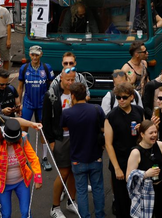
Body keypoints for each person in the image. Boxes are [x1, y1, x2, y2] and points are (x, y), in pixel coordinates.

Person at [61, 82, 105, 218]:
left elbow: (65, 129)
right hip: (95, 156)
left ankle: (84, 216)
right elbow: (104, 128)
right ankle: (100, 215)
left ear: (72, 96)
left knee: (81, 191)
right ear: (86, 94)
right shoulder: (96, 109)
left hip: (77, 159)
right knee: (98, 189)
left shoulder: (67, 113)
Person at [105, 82, 145, 218]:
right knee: (122, 201)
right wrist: (116, 168)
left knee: (139, 198)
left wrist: (142, 130)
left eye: (124, 97)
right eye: (118, 97)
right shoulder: (111, 116)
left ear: (132, 97)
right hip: (120, 162)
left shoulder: (139, 112)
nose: (120, 100)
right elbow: (108, 144)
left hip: (138, 161)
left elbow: (146, 137)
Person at [126, 120, 162, 218]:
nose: (154, 135)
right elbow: (128, 178)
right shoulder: (136, 153)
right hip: (145, 193)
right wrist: (145, 174)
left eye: (155, 132)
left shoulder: (160, 146)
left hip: (161, 190)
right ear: (142, 134)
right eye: (151, 133)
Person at [42, 69, 77, 218]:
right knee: (63, 172)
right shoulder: (51, 94)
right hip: (60, 138)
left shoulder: (77, 92)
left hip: (75, 136)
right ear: (61, 78)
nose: (70, 83)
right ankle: (55, 207)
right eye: (67, 80)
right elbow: (46, 120)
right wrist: (50, 141)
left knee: (74, 171)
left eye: (72, 80)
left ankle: (71, 201)